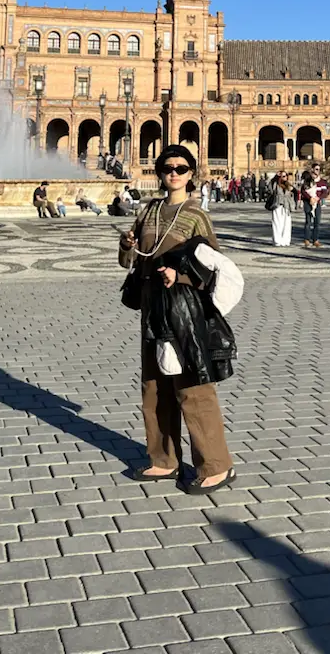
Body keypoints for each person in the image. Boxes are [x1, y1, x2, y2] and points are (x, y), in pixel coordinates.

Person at [117, 144, 236, 493]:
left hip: (184, 308)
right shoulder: (149, 211)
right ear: (159, 172)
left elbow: (214, 266)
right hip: (153, 306)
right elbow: (129, 261)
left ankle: (216, 465)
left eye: (181, 168)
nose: (174, 173)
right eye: (168, 167)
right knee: (154, 386)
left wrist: (181, 276)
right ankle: (163, 460)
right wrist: (126, 245)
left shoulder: (196, 215)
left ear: (191, 174)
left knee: (192, 386)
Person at [301, 165, 330, 248]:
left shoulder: (322, 182)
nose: (318, 171)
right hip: (308, 203)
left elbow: (325, 192)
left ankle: (316, 240)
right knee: (308, 222)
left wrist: (318, 198)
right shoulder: (307, 180)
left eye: (319, 169)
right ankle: (307, 239)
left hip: (317, 203)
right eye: (316, 169)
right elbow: (303, 191)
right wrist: (310, 198)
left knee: (317, 222)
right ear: (312, 169)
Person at [267, 170, 295, 246]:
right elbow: (270, 188)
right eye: (282, 176)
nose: (284, 178)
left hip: (287, 205)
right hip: (277, 204)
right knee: (277, 222)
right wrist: (275, 176)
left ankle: (286, 240)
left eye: (285, 176)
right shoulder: (275, 184)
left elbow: (294, 193)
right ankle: (277, 240)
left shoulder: (289, 185)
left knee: (287, 224)